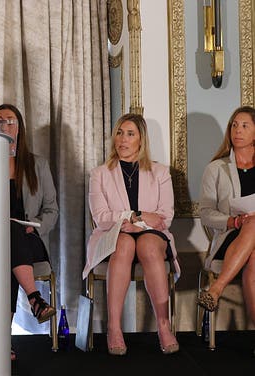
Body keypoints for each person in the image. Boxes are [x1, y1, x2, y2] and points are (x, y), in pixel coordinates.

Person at [85, 113, 179, 355]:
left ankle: (163, 324)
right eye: (119, 133)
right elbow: (101, 217)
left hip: (150, 235)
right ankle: (114, 327)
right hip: (115, 235)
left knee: (147, 245)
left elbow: (164, 217)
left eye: (130, 134)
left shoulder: (160, 172)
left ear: (141, 140)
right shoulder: (100, 174)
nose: (123, 139)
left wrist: (138, 223)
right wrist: (137, 215)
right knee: (125, 244)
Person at [0, 104, 58, 360]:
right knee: (7, 240)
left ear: (20, 127)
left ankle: (1, 342)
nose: (4, 126)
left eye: (10, 121)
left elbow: (52, 210)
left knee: (10, 244)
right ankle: (35, 298)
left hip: (32, 240)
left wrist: (36, 226)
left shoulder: (38, 165)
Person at [197, 106, 255, 331]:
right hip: (230, 238)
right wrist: (235, 222)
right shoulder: (216, 169)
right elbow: (206, 213)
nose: (237, 130)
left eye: (244, 125)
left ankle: (215, 290)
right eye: (234, 125)